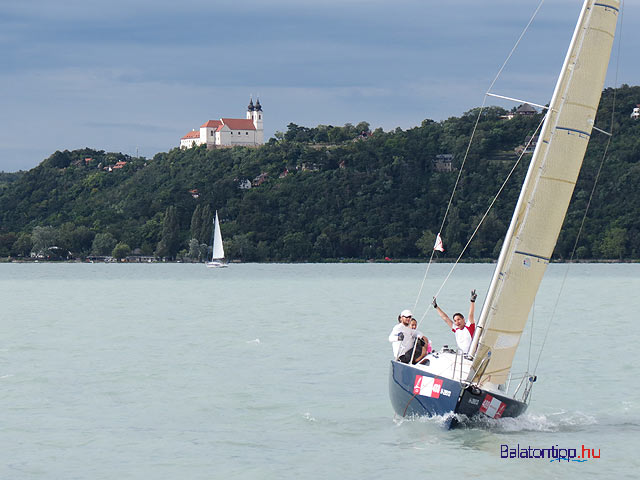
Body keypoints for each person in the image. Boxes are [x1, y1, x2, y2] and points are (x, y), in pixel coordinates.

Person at [432, 289, 477, 355]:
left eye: (459, 319)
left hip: (470, 355)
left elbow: (471, 314)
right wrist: (436, 306)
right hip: (460, 356)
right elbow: (445, 318)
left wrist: (472, 301)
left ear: (463, 319)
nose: (457, 322)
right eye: (455, 321)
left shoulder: (469, 326)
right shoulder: (456, 329)